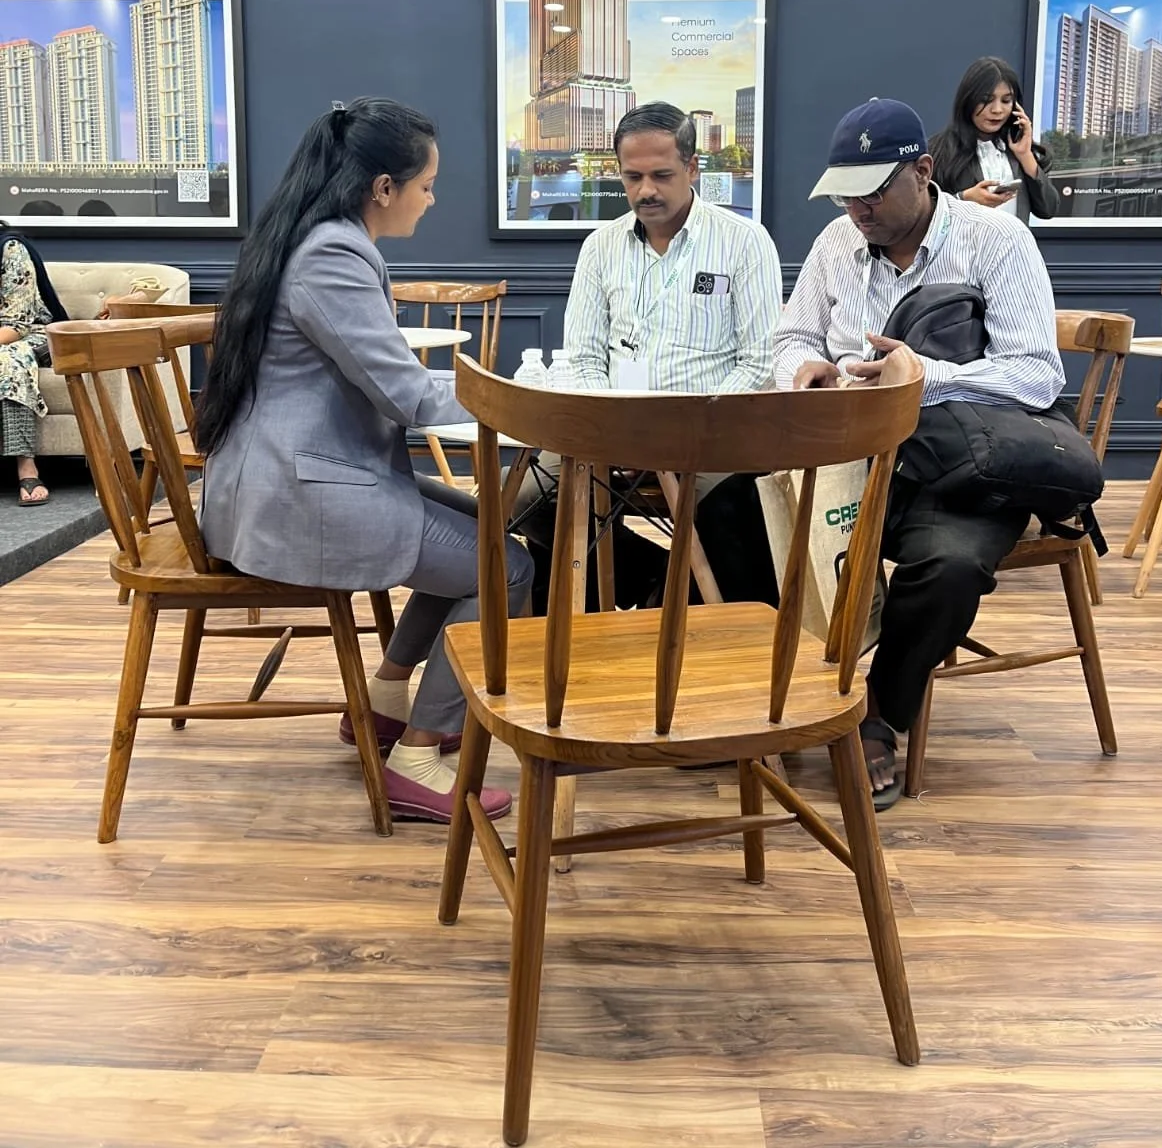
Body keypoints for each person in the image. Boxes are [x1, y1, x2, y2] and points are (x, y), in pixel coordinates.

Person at [196, 97, 533, 824]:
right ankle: (419, 752)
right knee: (507, 568)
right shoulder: (336, 254)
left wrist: (500, 390)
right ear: (384, 188)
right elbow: (406, 395)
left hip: (296, 476)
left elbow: (386, 382)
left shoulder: (308, 239)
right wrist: (521, 400)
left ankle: (382, 701)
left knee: (489, 535)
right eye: (427, 184)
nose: (432, 197)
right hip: (301, 490)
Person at [775, 98, 1064, 810]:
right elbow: (791, 338)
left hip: (959, 460)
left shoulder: (996, 242)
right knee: (736, 513)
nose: (856, 208)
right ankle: (782, 696)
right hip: (845, 454)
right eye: (844, 192)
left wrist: (924, 377)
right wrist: (801, 370)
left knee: (950, 565)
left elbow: (1037, 376)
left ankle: (880, 715)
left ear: (924, 171)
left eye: (872, 190)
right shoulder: (836, 242)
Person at [515, 100, 784, 611]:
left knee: (734, 519)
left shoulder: (745, 243)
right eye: (632, 176)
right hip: (612, 429)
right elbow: (583, 358)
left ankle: (706, 616)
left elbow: (759, 364)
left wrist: (692, 428)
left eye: (661, 175)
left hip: (710, 435)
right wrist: (610, 423)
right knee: (526, 499)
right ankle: (653, 573)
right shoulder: (601, 246)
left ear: (692, 168)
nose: (646, 191)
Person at [928, 56, 1059, 223]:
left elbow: (1049, 209)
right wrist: (963, 199)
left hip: (1015, 248)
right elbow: (921, 214)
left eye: (1006, 101)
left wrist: (1026, 156)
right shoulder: (939, 150)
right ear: (968, 100)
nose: (997, 110)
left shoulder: (1019, 150)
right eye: (986, 100)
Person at [0, 221, 68, 506]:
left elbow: (16, 323)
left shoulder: (11, 250)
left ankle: (26, 467)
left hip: (27, 332)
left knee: (7, 362)